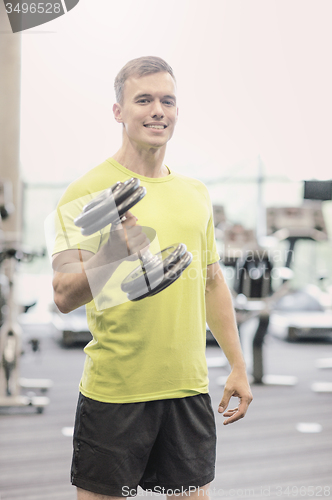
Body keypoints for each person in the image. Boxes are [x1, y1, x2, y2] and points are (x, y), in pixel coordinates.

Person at [52, 56, 253, 500]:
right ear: (118, 111)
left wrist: (238, 364)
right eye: (143, 99)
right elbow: (63, 294)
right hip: (116, 390)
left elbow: (212, 282)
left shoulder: (195, 193)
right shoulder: (84, 191)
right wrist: (114, 250)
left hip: (187, 388)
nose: (157, 110)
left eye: (168, 101)